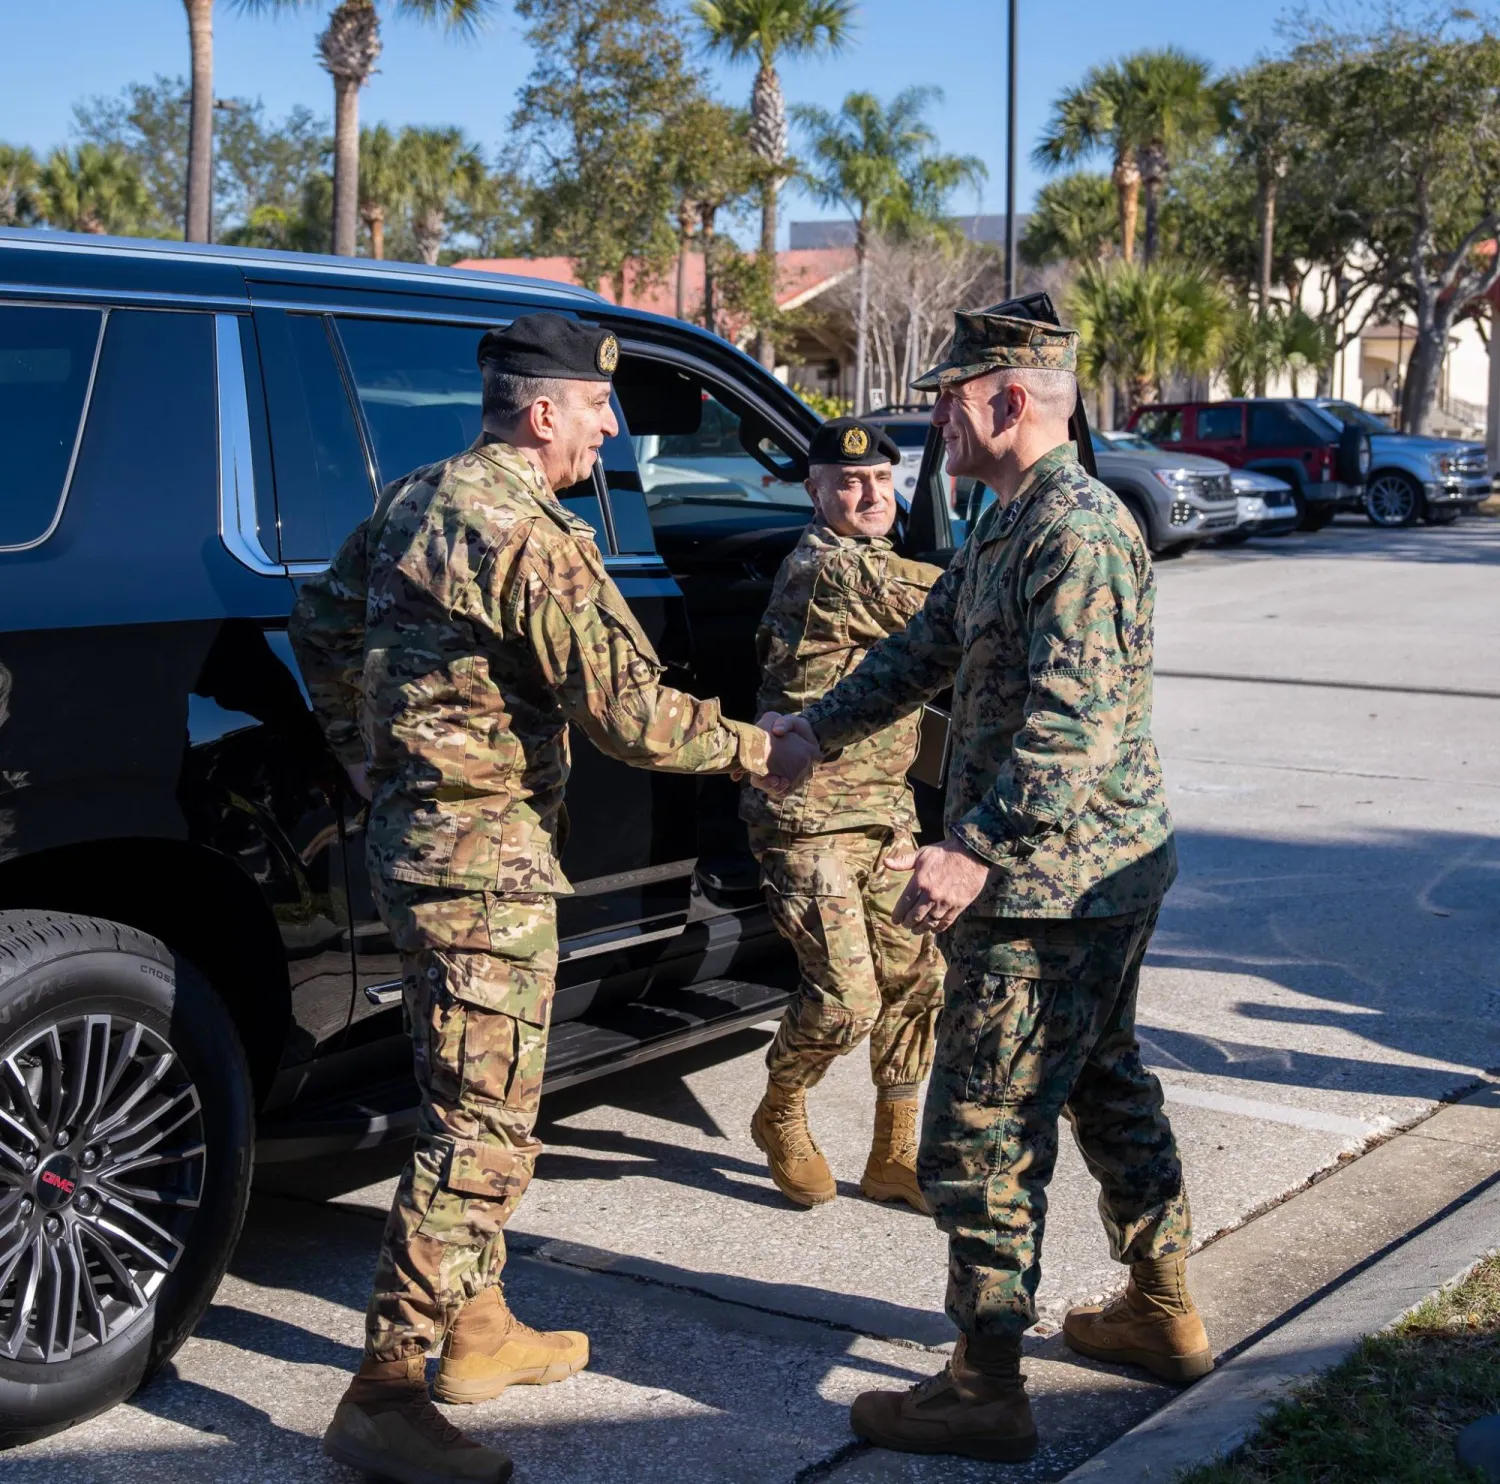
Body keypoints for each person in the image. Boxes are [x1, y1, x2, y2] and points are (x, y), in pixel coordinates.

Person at [289, 312, 816, 1484]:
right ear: (542, 415)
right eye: (594, 408)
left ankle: (477, 1333)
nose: (608, 425)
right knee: (484, 1133)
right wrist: (759, 750)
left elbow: (319, 621)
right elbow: (631, 714)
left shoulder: (421, 496)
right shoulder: (530, 533)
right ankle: (382, 1390)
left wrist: (364, 750)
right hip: (487, 873)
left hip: (416, 850)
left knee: (453, 1085)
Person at [767, 309, 1209, 1463]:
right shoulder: (1007, 521)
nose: (934, 419)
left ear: (1009, 401)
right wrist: (815, 727)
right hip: (1073, 873)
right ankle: (1160, 1308)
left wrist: (974, 845)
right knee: (1103, 1080)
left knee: (982, 1124)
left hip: (1048, 886)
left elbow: (1076, 722)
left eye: (949, 397)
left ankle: (984, 1378)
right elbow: (925, 647)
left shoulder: (1080, 531)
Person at [742, 417, 945, 1213]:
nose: (870, 496)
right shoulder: (828, 572)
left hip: (883, 812)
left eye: (884, 482)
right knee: (846, 998)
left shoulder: (875, 559)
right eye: (850, 482)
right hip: (808, 819)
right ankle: (780, 1109)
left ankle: (893, 1153)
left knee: (918, 978)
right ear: (815, 490)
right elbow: (947, 603)